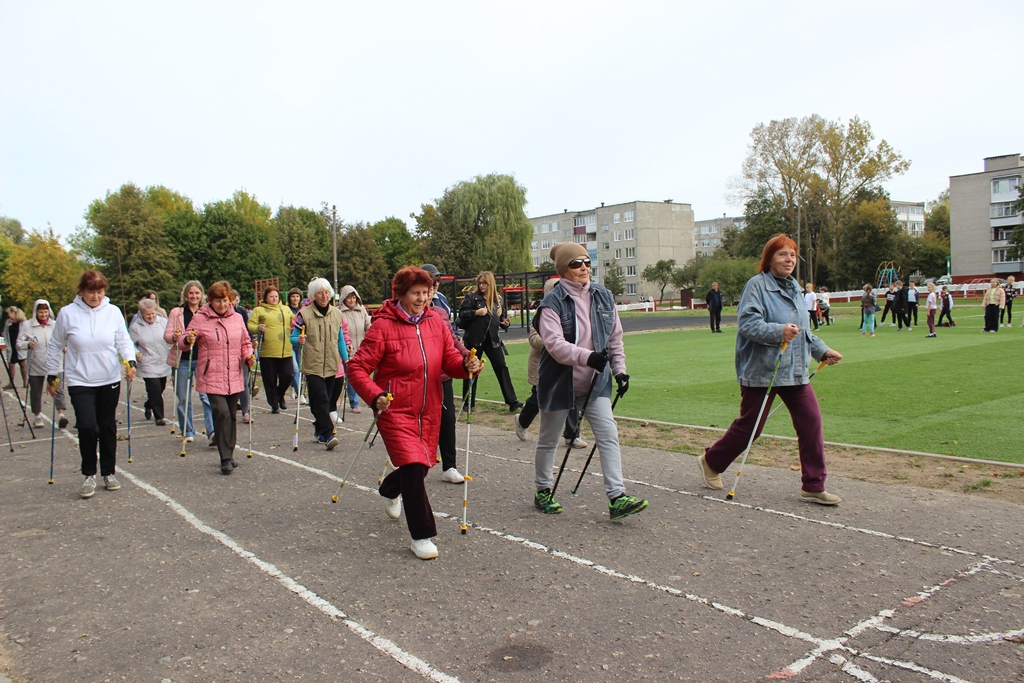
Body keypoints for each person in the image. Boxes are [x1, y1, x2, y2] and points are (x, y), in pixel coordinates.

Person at [697, 234, 843, 505]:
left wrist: (823, 351)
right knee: (750, 428)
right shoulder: (756, 286)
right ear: (770, 258)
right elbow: (748, 325)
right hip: (763, 370)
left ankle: (813, 485)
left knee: (812, 425)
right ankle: (711, 461)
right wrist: (779, 331)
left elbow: (805, 331)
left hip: (796, 372)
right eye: (782, 255)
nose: (788, 260)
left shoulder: (796, 288)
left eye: (792, 255)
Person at [348, 267, 482, 560]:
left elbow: (449, 360)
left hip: (429, 407)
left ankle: (389, 488)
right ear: (400, 294)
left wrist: (466, 366)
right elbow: (356, 368)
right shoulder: (383, 327)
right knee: (411, 465)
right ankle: (422, 535)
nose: (422, 298)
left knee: (421, 465)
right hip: (395, 408)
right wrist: (375, 395)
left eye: (426, 292)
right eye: (415, 293)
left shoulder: (436, 322)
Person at [532, 243, 648, 520]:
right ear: (563, 270)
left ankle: (617, 497)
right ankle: (543, 490)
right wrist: (589, 357)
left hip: (595, 382)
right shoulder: (551, 304)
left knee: (608, 436)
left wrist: (619, 370)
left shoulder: (604, 296)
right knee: (549, 440)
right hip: (559, 381)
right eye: (576, 263)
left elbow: (614, 338)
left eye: (586, 261)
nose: (584, 267)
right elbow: (555, 346)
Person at [45, 271, 137, 499]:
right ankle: (89, 473)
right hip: (80, 379)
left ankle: (108, 472)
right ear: (81, 291)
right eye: (90, 291)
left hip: (109, 378)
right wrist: (51, 376)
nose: (95, 296)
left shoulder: (113, 312)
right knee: (87, 426)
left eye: (99, 291)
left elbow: (123, 341)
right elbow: (55, 346)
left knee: (106, 426)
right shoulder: (67, 313)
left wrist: (130, 362)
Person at [179, 281, 255, 474]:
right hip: (211, 375)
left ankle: (230, 450)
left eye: (225, 300)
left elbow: (245, 342)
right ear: (210, 301)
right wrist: (188, 340)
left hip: (234, 374)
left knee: (231, 415)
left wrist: (248, 356)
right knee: (220, 413)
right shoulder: (200, 318)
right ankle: (224, 457)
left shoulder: (237, 318)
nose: (221, 305)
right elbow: (183, 341)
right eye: (217, 301)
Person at [514, 278, 585, 449]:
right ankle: (522, 421)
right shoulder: (543, 311)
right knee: (538, 398)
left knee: (571, 395)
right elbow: (533, 339)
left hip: (567, 362)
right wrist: (553, 342)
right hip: (543, 363)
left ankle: (572, 435)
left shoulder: (572, 309)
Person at [423, 267, 469, 483]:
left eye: (435, 284)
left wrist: (467, 356)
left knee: (447, 419)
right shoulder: (406, 311)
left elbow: (452, 339)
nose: (433, 289)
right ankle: (410, 464)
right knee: (419, 422)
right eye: (428, 284)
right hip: (417, 378)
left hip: (442, 376)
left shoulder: (441, 311)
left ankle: (449, 466)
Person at [291, 278, 348, 449]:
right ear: (313, 295)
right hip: (312, 364)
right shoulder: (304, 314)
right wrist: (298, 339)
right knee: (321, 399)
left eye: (326, 292)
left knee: (325, 400)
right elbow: (293, 337)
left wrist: (345, 358)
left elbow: (340, 340)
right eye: (320, 293)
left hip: (331, 364)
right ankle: (329, 434)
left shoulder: (337, 314)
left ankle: (319, 429)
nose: (324, 296)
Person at [458, 271, 522, 412]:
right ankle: (469, 403)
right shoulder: (471, 297)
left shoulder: (497, 300)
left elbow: (500, 319)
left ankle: (512, 400)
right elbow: (461, 316)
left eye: (484, 283)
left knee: (501, 367)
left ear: (490, 284)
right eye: (479, 283)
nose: (481, 286)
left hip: (492, 340)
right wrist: (475, 313)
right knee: (471, 369)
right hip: (474, 340)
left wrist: (505, 323)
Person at [165, 281, 215, 444]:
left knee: (206, 395)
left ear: (202, 295)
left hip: (202, 359)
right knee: (183, 397)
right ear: (185, 295)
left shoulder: (207, 312)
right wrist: (175, 337)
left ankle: (212, 430)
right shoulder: (176, 312)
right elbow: (167, 335)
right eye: (191, 293)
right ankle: (187, 429)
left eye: (197, 293)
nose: (194, 296)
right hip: (182, 359)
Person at [17, 300, 68, 429]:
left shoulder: (55, 325)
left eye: (45, 311)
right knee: (36, 391)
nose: (43, 314)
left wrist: (64, 346)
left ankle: (61, 415)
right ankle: (37, 416)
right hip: (36, 363)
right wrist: (27, 344)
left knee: (58, 388)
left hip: (55, 363)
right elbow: (18, 343)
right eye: (41, 312)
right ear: (36, 312)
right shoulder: (27, 325)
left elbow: (63, 339)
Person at [247, 286, 294, 415]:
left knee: (288, 375)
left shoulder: (285, 309)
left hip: (285, 349)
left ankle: (279, 395)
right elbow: (250, 325)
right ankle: (274, 404)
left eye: (276, 296)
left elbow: (295, 321)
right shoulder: (259, 310)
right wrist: (258, 327)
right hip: (267, 351)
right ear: (266, 298)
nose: (274, 299)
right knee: (269, 379)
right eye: (271, 296)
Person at [128, 297, 171, 426]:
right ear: (141, 314)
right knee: (154, 388)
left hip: (162, 360)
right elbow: (130, 343)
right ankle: (159, 417)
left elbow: (169, 336)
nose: (151, 316)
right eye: (148, 314)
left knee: (161, 387)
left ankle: (149, 404)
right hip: (147, 362)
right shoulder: (136, 327)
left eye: (153, 313)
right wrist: (136, 352)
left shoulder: (163, 322)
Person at [337, 284, 372, 414]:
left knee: (360, 376)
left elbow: (368, 326)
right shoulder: (339, 312)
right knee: (348, 376)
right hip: (346, 348)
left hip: (361, 348)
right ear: (344, 299)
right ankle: (352, 401)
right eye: (349, 298)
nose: (351, 300)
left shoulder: (361, 310)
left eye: (353, 298)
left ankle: (362, 400)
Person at [231, 292, 253, 424]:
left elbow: (246, 331)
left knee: (244, 381)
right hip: (226, 353)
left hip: (241, 349)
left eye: (234, 300)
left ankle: (246, 411)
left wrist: (250, 347)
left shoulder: (241, 313)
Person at [287, 287, 305, 403]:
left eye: (297, 296)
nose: (295, 298)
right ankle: (300, 393)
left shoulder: (303, 310)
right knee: (295, 368)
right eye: (293, 296)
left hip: (300, 342)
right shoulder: (286, 310)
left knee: (299, 368)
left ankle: (293, 386)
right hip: (289, 342)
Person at [4, 306, 28, 389]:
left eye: (9, 313)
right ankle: (11, 382)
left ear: (14, 313)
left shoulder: (23, 323)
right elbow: (5, 333)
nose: (8, 315)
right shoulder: (8, 322)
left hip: (20, 346)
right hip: (11, 345)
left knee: (22, 364)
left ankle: (25, 382)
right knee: (11, 364)